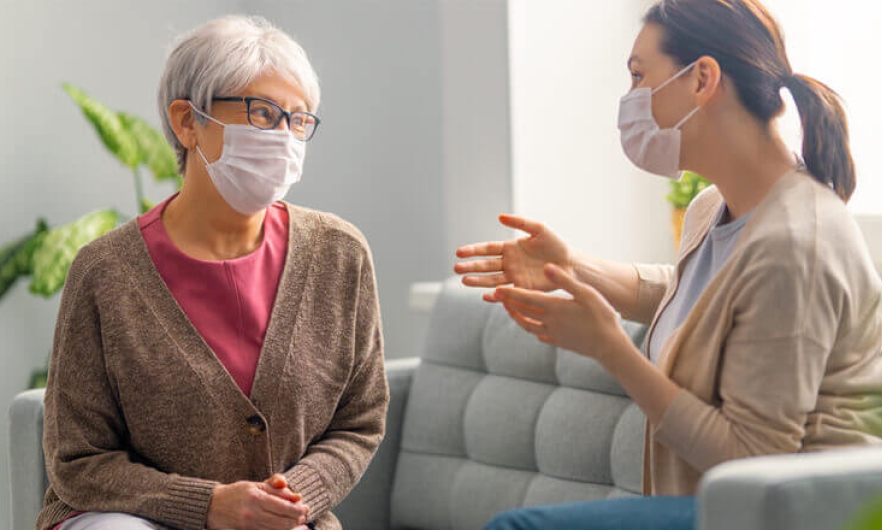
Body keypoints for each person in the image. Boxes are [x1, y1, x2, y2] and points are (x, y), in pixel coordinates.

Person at [455, 1, 882, 528]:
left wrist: (610, 349)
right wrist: (568, 266)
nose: (630, 99)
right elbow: (704, 300)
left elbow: (754, 464)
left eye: (639, 75)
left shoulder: (798, 243)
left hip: (798, 515)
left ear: (702, 78)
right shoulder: (714, 208)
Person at [38, 16, 389, 530]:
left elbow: (361, 421)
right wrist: (208, 506)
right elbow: (77, 460)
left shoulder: (341, 255)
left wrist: (289, 498)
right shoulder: (104, 272)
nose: (285, 138)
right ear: (187, 121)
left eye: (299, 120)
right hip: (132, 517)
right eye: (263, 113)